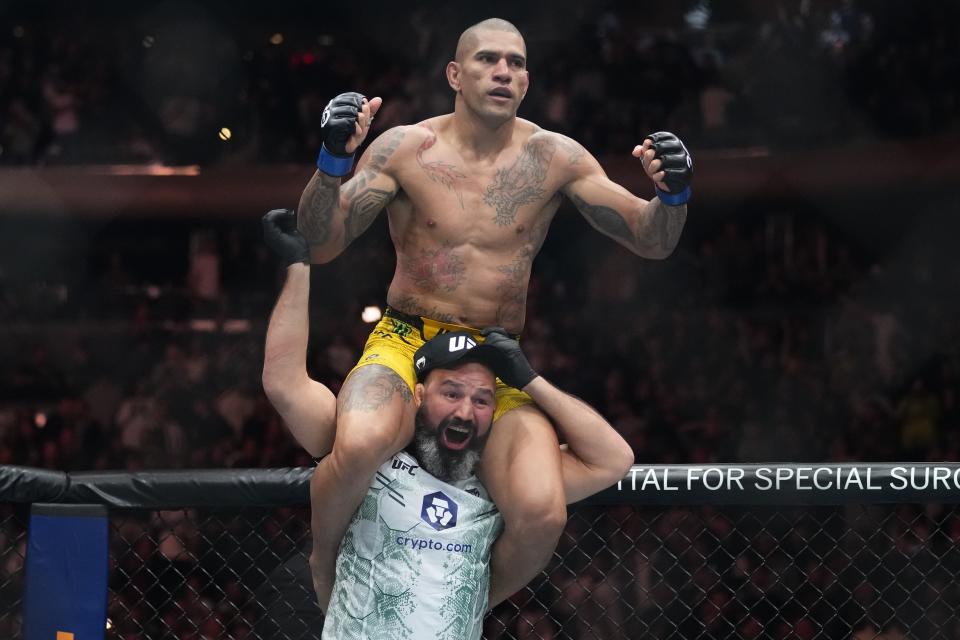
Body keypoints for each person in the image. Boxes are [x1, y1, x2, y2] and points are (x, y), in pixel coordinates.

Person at [293, 17, 692, 609]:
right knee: (358, 444)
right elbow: (320, 243)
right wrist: (331, 163)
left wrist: (674, 195)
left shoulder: (554, 158)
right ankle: (325, 566)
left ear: (527, 81)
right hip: (407, 339)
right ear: (455, 74)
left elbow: (651, 239)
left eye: (516, 62)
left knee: (541, 510)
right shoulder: (406, 148)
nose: (503, 71)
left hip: (493, 356)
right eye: (487, 60)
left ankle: (457, 610)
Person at [261, 207, 635, 638]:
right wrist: (297, 268)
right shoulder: (369, 456)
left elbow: (613, 458)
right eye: (452, 393)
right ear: (418, 396)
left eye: (481, 399)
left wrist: (530, 381)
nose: (464, 411)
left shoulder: (495, 480)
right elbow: (284, 383)